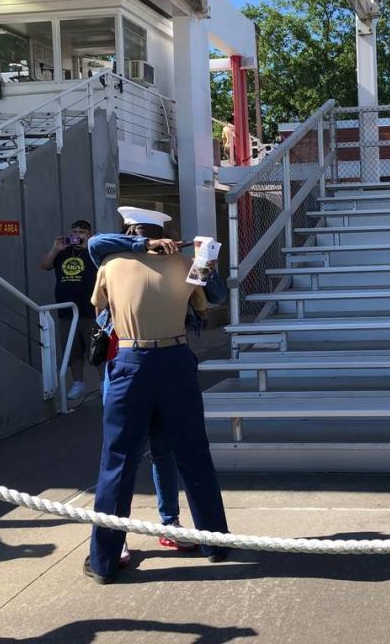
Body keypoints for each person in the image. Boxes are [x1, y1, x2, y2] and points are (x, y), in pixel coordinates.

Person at [84, 207, 230, 584]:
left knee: (117, 461)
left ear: (130, 231)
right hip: (176, 359)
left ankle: (103, 560)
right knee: (193, 454)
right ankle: (214, 542)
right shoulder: (185, 263)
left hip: (130, 361)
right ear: (165, 234)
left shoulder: (112, 264)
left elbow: (99, 306)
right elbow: (204, 304)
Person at [39, 219, 96, 400]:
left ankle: (105, 383)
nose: (77, 236)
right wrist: (55, 249)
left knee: (96, 349)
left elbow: (104, 267)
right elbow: (45, 265)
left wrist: (89, 247)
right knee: (72, 350)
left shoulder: (94, 251)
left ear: (89, 234)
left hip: (90, 309)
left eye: (81, 232)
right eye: (74, 232)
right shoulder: (63, 252)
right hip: (67, 311)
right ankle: (78, 383)